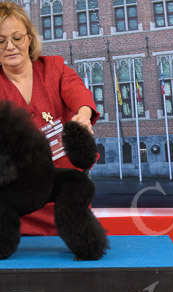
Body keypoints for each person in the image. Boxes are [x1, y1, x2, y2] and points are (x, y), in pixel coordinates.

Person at [0, 1, 99, 236]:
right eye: (0, 41)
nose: (10, 46)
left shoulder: (55, 68)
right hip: (19, 216)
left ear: (29, 39)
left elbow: (79, 93)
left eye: (16, 38)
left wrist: (83, 115)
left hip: (68, 203)